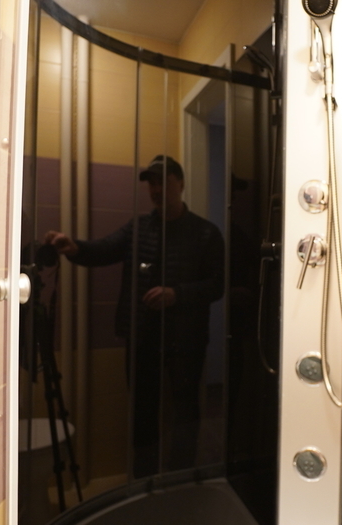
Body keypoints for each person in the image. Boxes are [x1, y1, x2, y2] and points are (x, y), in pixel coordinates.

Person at [45, 155, 225, 478]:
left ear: (181, 184)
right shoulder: (139, 228)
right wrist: (75, 248)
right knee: (142, 411)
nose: (155, 189)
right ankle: (144, 481)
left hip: (186, 339)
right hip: (142, 335)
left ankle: (181, 479)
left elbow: (217, 285)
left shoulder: (205, 233)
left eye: (163, 181)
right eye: (151, 183)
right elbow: (105, 249)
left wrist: (177, 294)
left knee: (185, 409)